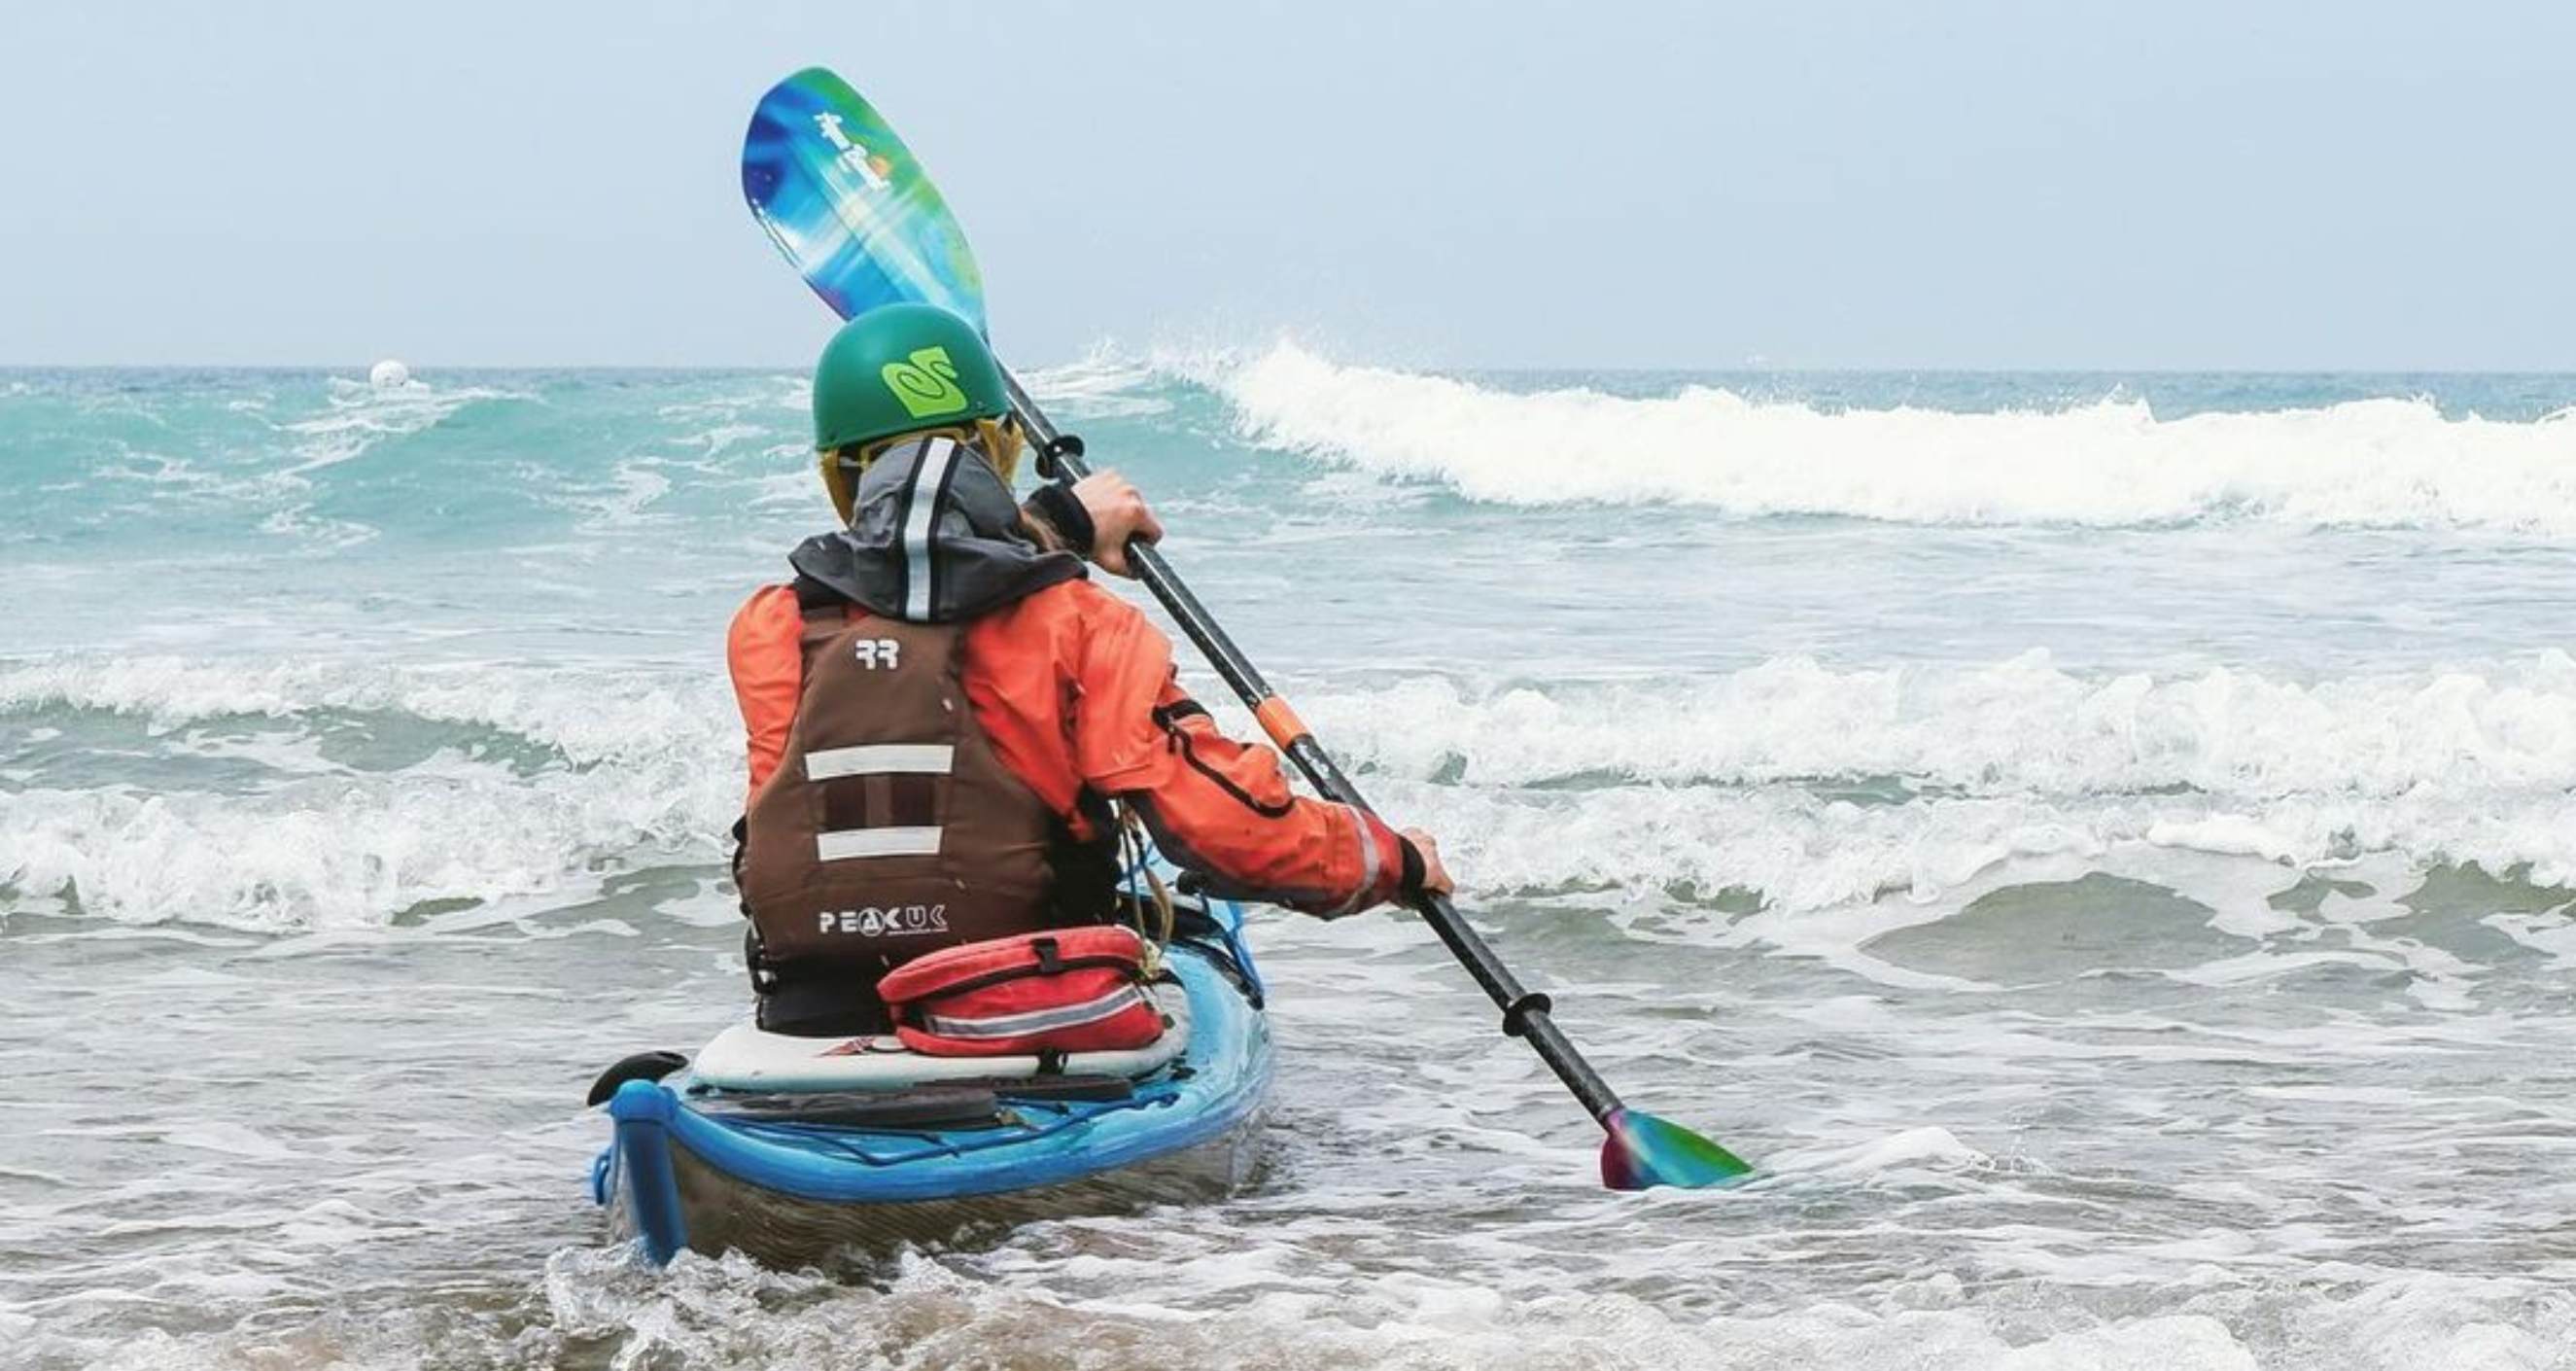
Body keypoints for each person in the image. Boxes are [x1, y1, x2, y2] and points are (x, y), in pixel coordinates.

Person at [728, 301, 1450, 1035]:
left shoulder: (772, 629)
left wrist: (1056, 524)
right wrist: (1389, 859)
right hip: (1030, 1001)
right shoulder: (1082, 623)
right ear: (1000, 449)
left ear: (835, 474)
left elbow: (916, 573)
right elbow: (1226, 836)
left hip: (812, 1012)